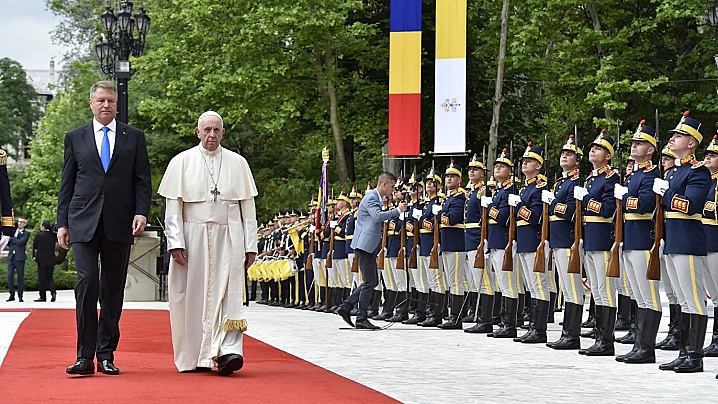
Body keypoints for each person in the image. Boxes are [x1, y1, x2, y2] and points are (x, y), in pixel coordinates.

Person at [58, 80, 152, 376]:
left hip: (119, 221)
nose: (106, 105)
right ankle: (84, 356)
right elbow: (67, 183)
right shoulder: (75, 137)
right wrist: (62, 222)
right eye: (101, 100)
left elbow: (142, 179)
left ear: (116, 104)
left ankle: (106, 353)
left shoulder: (134, 137)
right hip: (82, 221)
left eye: (111, 101)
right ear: (91, 103)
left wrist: (141, 212)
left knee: (112, 289)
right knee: (87, 283)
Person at [158, 110, 258, 376]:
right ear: (198, 132)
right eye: (207, 130)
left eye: (216, 130)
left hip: (230, 234)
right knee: (190, 296)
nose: (211, 135)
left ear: (223, 133)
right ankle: (192, 356)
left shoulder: (238, 163)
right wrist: (175, 241)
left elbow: (248, 208)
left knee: (227, 294)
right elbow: (173, 207)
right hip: (193, 236)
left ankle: (227, 353)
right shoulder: (181, 162)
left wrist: (251, 245)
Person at [654, 111, 711, 373]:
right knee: (683, 301)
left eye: (679, 135)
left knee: (695, 299)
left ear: (691, 143)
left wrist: (667, 192)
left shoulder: (698, 172)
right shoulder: (674, 172)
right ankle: (683, 352)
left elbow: (690, 205)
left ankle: (695, 357)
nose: (673, 139)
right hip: (674, 240)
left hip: (688, 240)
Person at [613, 120, 661, 364]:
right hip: (630, 237)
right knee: (638, 295)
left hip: (643, 238)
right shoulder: (635, 175)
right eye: (633, 142)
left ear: (650, 149)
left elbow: (644, 204)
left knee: (648, 294)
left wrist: (625, 197)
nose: (634, 146)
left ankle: (647, 348)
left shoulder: (652, 174)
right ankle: (639, 344)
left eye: (640, 142)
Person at [335, 172, 408, 330]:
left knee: (371, 281)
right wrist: (398, 210)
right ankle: (361, 317)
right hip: (364, 244)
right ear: (384, 185)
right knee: (370, 282)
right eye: (392, 186)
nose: (392, 190)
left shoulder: (376, 198)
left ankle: (347, 306)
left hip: (366, 244)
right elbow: (376, 216)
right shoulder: (371, 198)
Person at [574, 129, 619, 357]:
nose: (593, 150)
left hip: (602, 238)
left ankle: (606, 341)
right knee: (597, 291)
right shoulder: (591, 179)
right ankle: (600, 338)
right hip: (590, 238)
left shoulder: (611, 178)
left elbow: (608, 210)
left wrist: (587, 200)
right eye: (593, 147)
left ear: (608, 156)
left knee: (605, 290)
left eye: (599, 148)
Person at [544, 134, 586, 350]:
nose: (564, 156)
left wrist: (552, 205)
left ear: (577, 160)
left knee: (573, 288)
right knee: (567, 290)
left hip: (569, 240)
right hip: (558, 240)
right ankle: (567, 333)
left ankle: (572, 335)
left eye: (569, 154)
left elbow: (570, 212)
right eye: (562, 153)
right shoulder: (561, 183)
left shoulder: (577, 182)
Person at [510, 142, 553, 344]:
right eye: (524, 161)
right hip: (524, 240)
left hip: (535, 240)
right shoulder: (524, 188)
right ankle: (533, 327)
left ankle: (540, 329)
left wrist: (518, 207)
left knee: (539, 284)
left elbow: (535, 216)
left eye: (530, 161)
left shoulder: (539, 187)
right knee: (531, 286)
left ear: (538, 165)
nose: (525, 163)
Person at [483, 149, 520, 338]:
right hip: (496, 241)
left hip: (506, 242)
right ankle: (505, 322)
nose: (498, 167)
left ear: (510, 172)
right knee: (502, 284)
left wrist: (489, 207)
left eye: (502, 166)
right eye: (497, 165)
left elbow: (503, 216)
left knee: (508, 284)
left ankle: (510, 324)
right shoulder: (500, 191)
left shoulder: (511, 190)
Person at [32, 220, 58, 302]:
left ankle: (43, 296)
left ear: (43, 227)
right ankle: (53, 292)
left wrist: (34, 256)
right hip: (51, 258)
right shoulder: (53, 235)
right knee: (50, 277)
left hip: (41, 259)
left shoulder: (39, 235)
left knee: (42, 278)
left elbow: (34, 247)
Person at [7, 217, 30, 302]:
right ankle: (11, 295)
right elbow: (9, 243)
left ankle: (20, 296)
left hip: (19, 257)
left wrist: (12, 238)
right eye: (19, 221)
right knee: (10, 276)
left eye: (22, 222)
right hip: (11, 257)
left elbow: (21, 242)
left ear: (25, 224)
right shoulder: (13, 232)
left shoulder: (26, 233)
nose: (19, 223)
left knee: (20, 277)